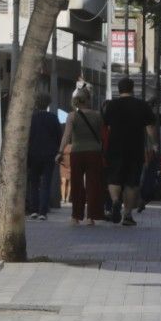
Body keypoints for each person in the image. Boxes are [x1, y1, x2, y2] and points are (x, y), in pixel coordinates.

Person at [102, 78, 155, 228]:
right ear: (132, 89)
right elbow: (150, 127)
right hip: (135, 148)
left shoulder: (111, 105)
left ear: (118, 89)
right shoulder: (142, 105)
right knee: (131, 183)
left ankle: (115, 201)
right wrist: (154, 144)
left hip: (114, 148)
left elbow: (105, 126)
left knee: (114, 179)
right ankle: (127, 216)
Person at [65, 83, 108, 224]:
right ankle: (91, 217)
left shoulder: (72, 116)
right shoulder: (97, 116)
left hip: (77, 152)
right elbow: (103, 135)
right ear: (88, 100)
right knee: (93, 184)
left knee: (77, 184)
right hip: (94, 152)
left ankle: (76, 216)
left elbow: (67, 135)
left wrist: (60, 151)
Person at [27, 94, 65, 220]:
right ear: (48, 104)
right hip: (49, 155)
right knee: (46, 183)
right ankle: (43, 211)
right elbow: (59, 136)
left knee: (34, 182)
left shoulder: (32, 119)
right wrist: (58, 151)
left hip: (33, 154)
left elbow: (28, 138)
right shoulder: (53, 118)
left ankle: (33, 210)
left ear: (36, 104)